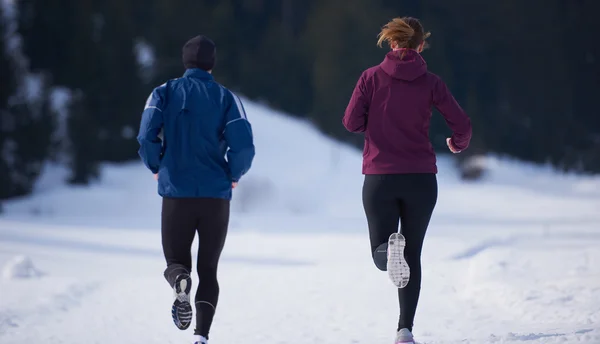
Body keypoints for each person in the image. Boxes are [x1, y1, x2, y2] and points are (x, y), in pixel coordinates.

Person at [342, 17, 472, 344]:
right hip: (421, 179)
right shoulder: (431, 82)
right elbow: (463, 125)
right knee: (412, 255)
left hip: (380, 177)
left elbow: (350, 122)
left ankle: (388, 253)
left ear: (392, 42)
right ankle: (404, 331)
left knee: (381, 253)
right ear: (420, 45)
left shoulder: (369, 78)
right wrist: (456, 144)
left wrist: (373, 126)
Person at [137, 35, 255, 344]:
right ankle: (201, 336)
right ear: (212, 64)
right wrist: (233, 174)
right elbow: (243, 146)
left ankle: (180, 280)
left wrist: (155, 165)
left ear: (185, 61)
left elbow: (146, 135)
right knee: (210, 269)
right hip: (215, 196)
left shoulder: (163, 93)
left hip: (176, 192)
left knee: (176, 262)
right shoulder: (226, 98)